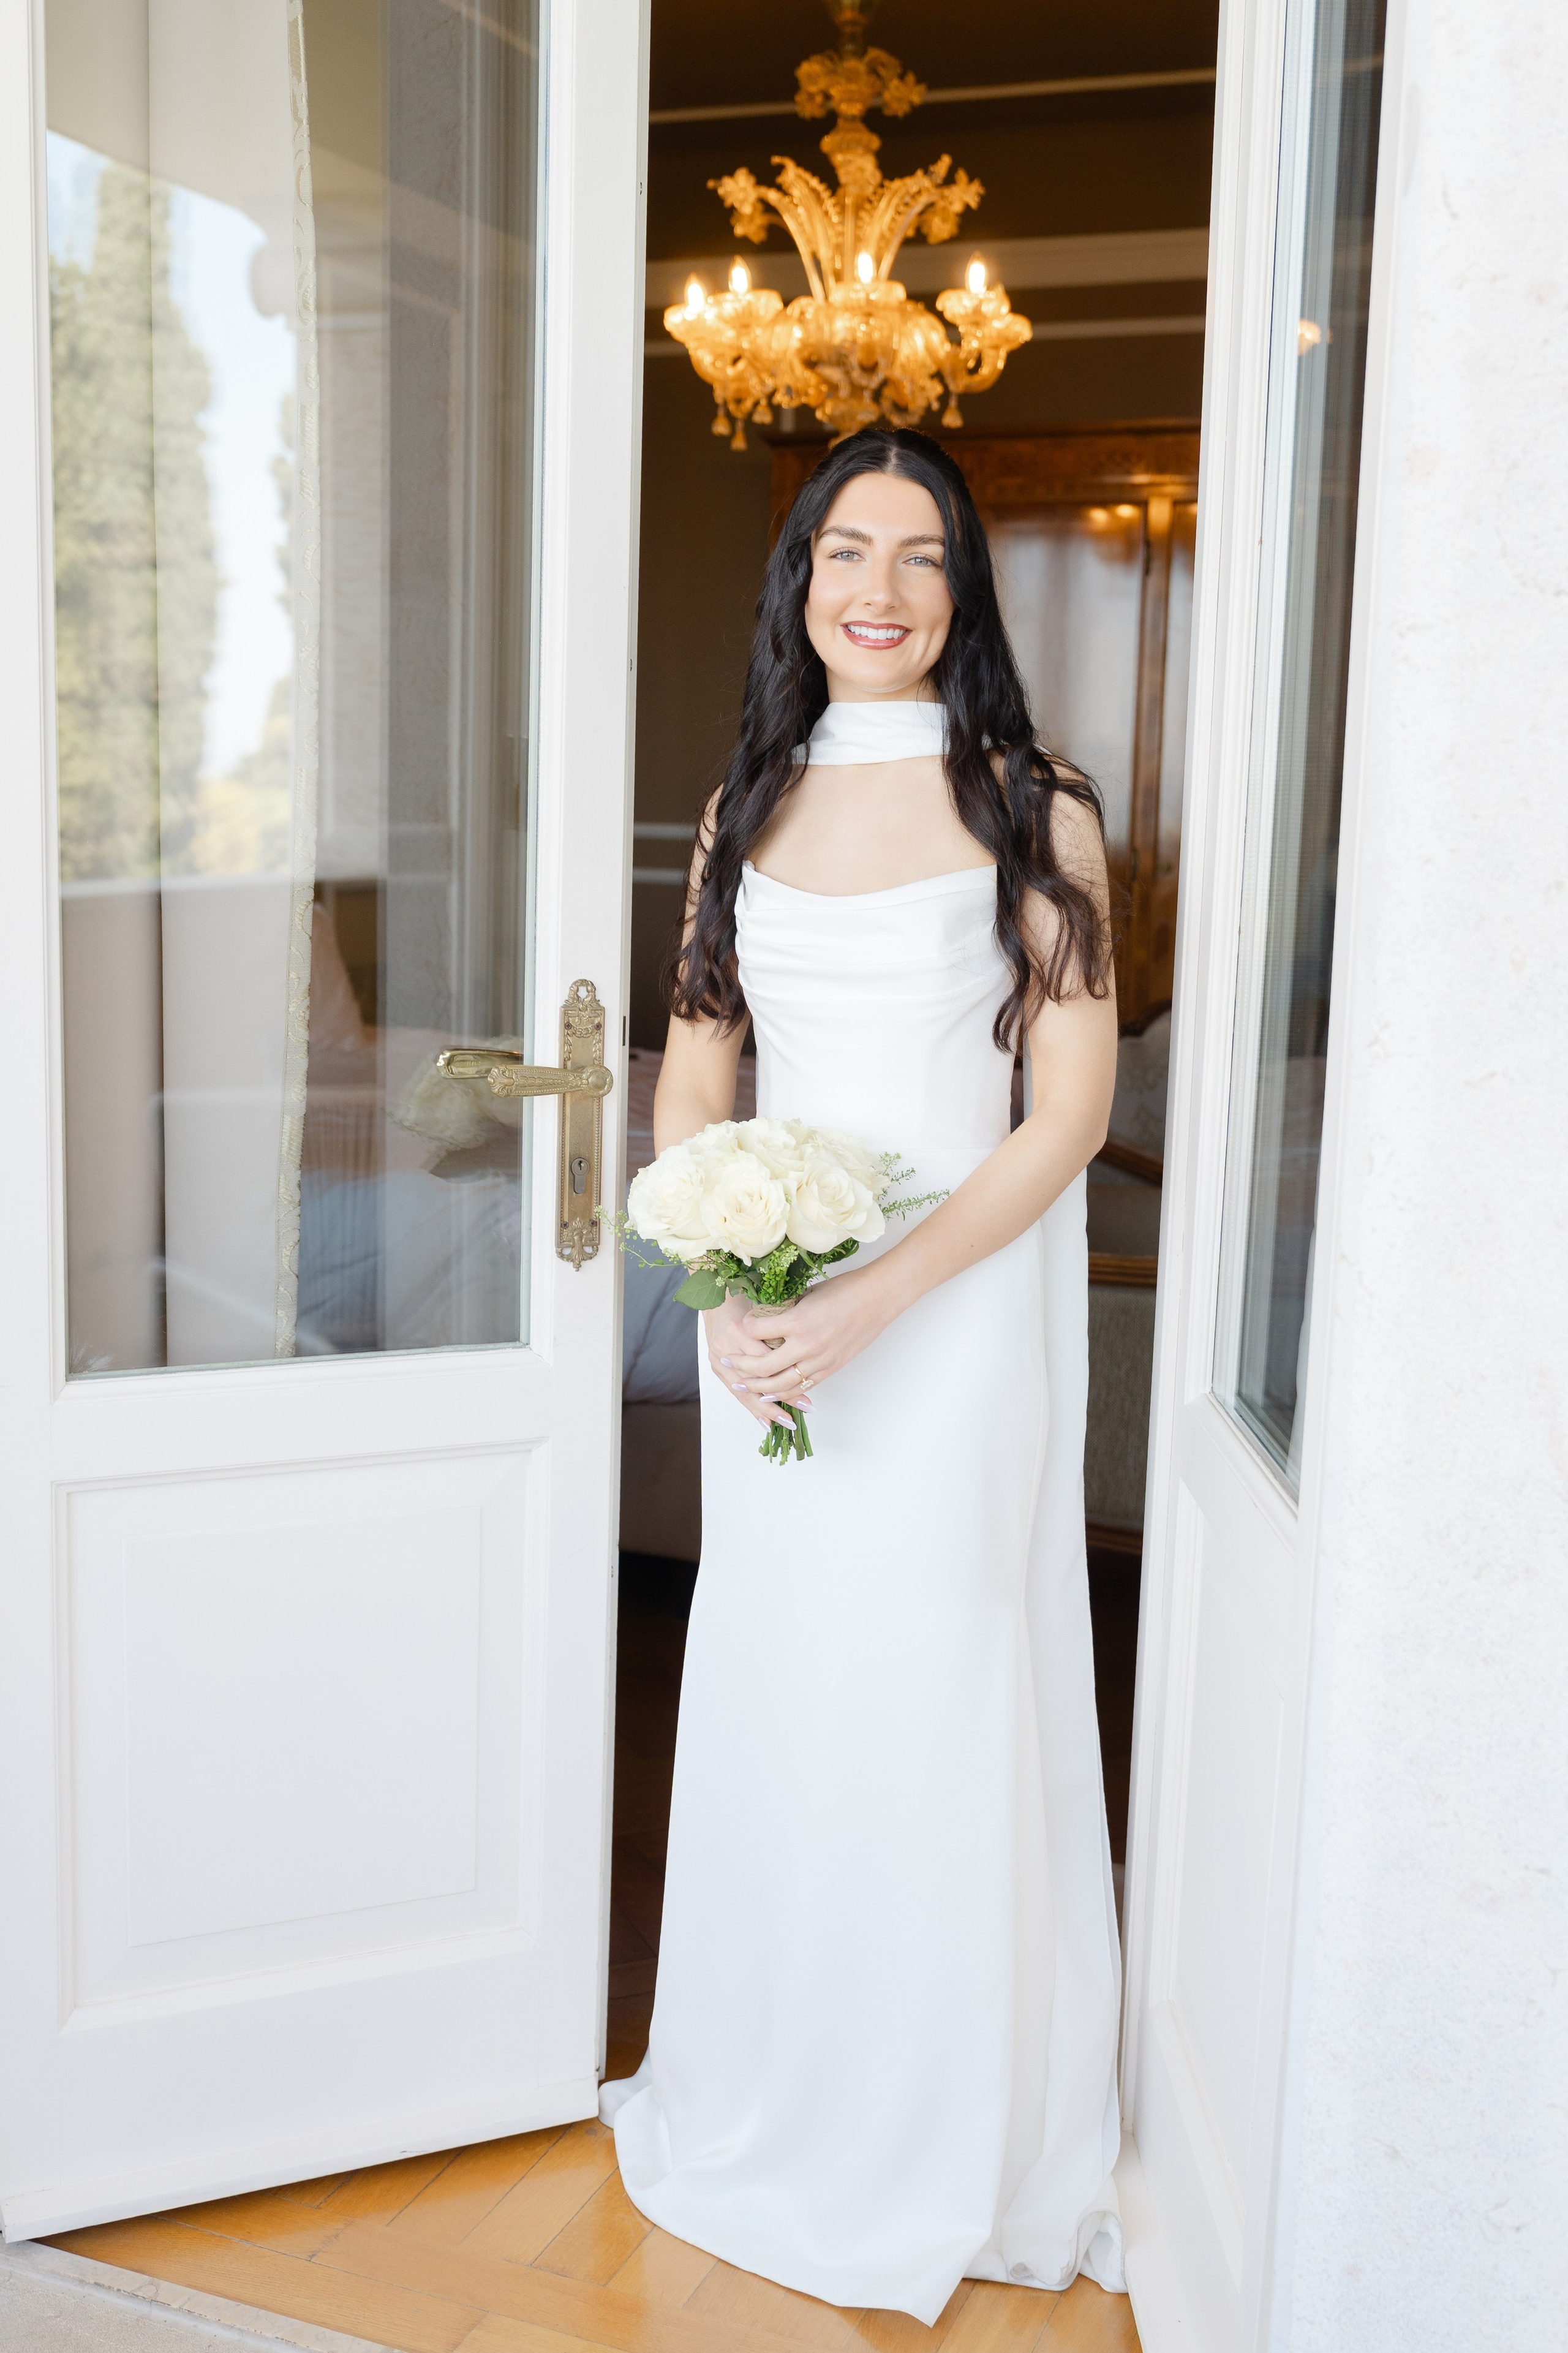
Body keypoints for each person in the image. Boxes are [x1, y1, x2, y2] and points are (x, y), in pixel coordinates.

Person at [600, 425, 1126, 2325]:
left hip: (955, 1322)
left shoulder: (1031, 801)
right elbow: (693, 1072)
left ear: (962, 591)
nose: (880, 588)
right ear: (801, 582)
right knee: (787, 1685)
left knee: (934, 1686)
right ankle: (775, 2088)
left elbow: (1066, 1116)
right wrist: (725, 1270)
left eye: (919, 554)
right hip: (778, 1335)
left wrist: (881, 1294)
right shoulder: (746, 800)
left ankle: (944, 2124)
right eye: (846, 551)